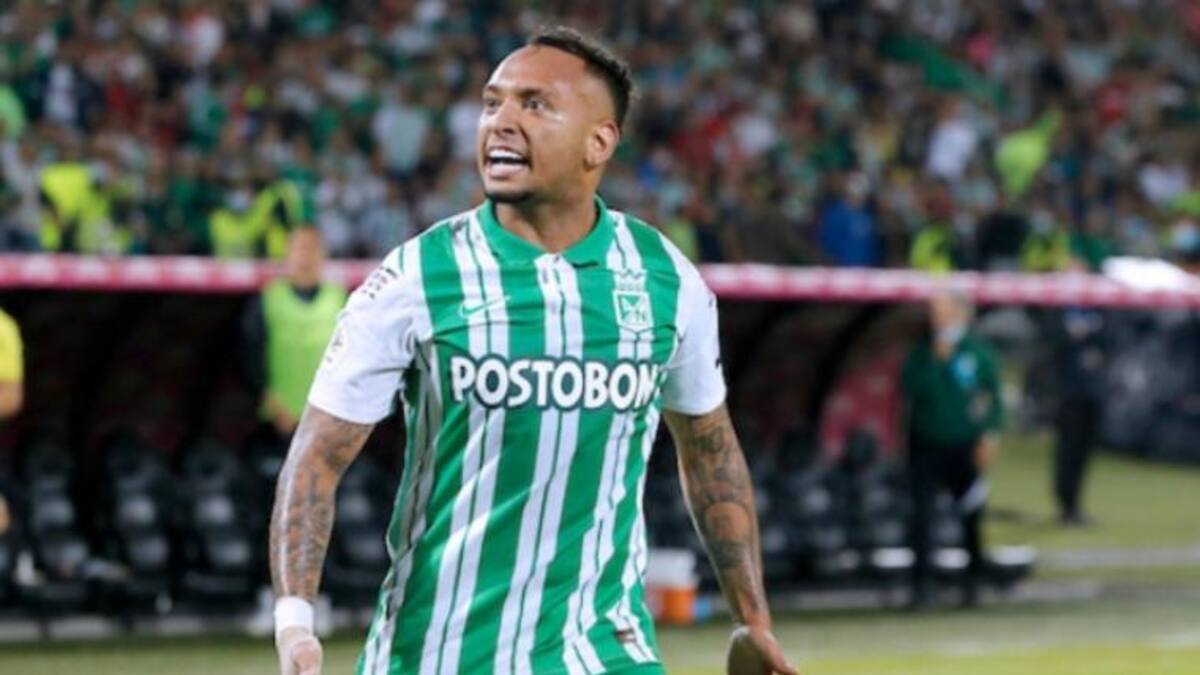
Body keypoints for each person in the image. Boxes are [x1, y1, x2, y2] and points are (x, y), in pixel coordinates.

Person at [269, 27, 796, 675]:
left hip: (605, 650)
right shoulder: (416, 277)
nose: (501, 121)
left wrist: (751, 619)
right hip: (440, 653)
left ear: (599, 142)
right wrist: (295, 622)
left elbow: (710, 450)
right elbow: (315, 457)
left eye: (535, 104)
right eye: (492, 103)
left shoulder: (666, 279)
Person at [901, 291, 1004, 609]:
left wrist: (990, 435)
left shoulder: (979, 354)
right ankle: (922, 586)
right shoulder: (922, 352)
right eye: (935, 312)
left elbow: (993, 399)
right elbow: (910, 389)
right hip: (926, 444)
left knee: (971, 512)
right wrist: (936, 361)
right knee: (923, 515)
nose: (938, 318)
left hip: (966, 445)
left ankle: (974, 581)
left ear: (962, 315)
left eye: (943, 311)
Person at [242, 228, 346, 443]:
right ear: (287, 253)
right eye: (300, 248)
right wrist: (266, 398)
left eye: (312, 248)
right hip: (279, 418)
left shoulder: (340, 298)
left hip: (328, 418)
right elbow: (250, 353)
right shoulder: (268, 298)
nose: (305, 256)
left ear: (323, 254)